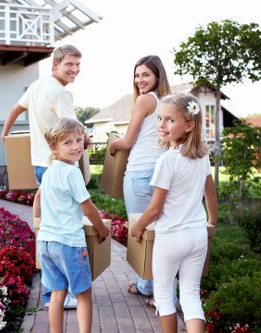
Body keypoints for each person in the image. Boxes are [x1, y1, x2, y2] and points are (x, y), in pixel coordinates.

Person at [1, 44, 83, 308]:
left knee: (49, 229)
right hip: (59, 167)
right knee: (63, 231)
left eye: (78, 64)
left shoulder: (37, 86)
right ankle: (56, 294)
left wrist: (5, 136)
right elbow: (74, 132)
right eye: (69, 64)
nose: (74, 69)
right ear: (55, 65)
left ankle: (52, 293)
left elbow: (14, 111)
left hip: (40, 166)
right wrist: (86, 142)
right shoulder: (60, 94)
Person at [131, 93, 217, 333]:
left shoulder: (168, 160)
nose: (161, 124)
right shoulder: (201, 157)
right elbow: (210, 193)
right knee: (190, 295)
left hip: (171, 237)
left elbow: (156, 208)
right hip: (197, 236)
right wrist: (212, 221)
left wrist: (138, 227)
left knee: (164, 294)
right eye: (160, 118)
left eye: (170, 120)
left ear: (189, 126)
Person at [33, 117, 110, 333]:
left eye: (78, 140)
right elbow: (87, 207)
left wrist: (37, 224)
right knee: (83, 293)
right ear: (53, 147)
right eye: (67, 142)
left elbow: (37, 199)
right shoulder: (72, 172)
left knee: (57, 293)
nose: (76, 146)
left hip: (46, 242)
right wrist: (102, 230)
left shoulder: (48, 172)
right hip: (69, 244)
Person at [107, 55, 171, 305]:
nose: (140, 80)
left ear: (157, 76)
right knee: (160, 233)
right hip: (160, 173)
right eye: (137, 75)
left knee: (143, 233)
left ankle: (153, 289)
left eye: (145, 74)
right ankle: (154, 287)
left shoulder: (145, 100)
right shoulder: (166, 101)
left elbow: (128, 141)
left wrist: (113, 144)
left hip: (140, 173)